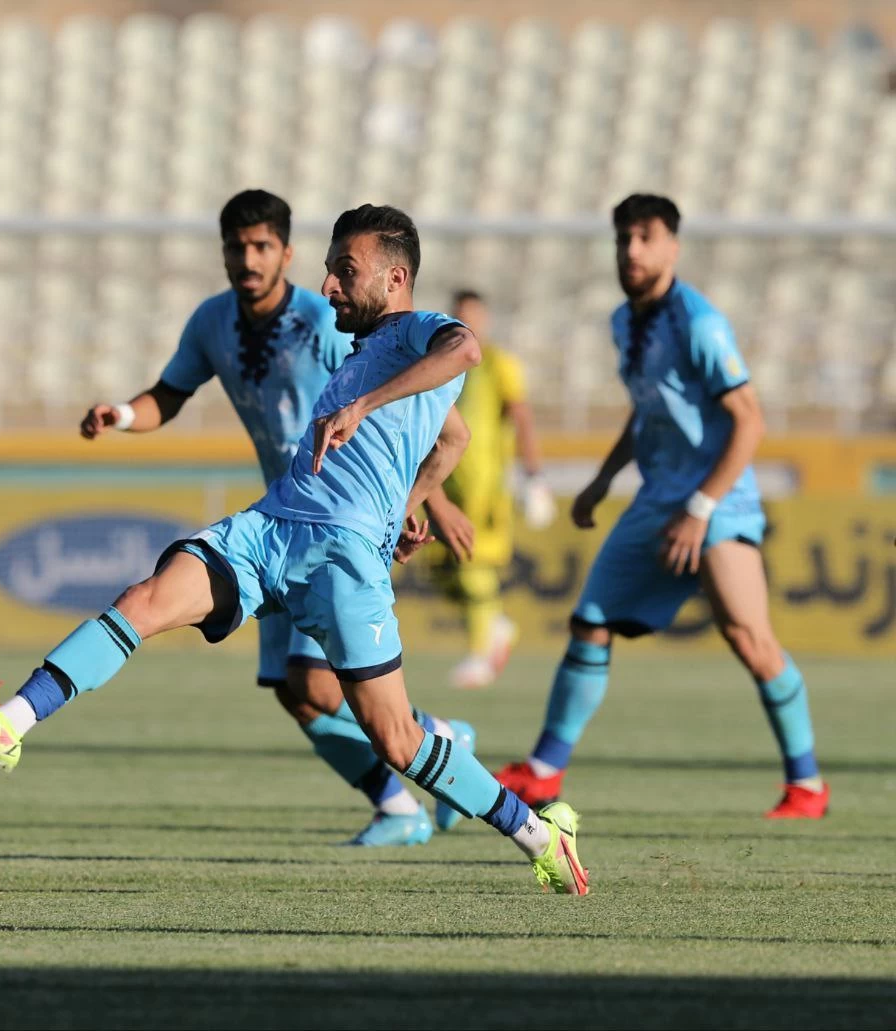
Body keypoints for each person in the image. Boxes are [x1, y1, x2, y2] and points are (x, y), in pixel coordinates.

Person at [0, 204, 590, 894]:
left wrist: (377, 455)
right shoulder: (362, 353)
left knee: (396, 738)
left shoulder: (422, 334)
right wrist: (407, 502)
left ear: (396, 279)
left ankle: (539, 831)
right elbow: (450, 439)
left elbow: (466, 353)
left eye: (345, 271)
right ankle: (11, 721)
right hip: (271, 528)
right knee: (145, 599)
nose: (329, 285)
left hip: (343, 558)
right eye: (328, 269)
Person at [81, 190, 478, 846]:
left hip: (338, 522)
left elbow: (433, 417)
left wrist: (422, 499)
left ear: (286, 255)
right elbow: (169, 396)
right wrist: (121, 415)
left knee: (317, 685)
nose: (248, 258)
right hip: (277, 524)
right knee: (296, 693)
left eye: (262, 246)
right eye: (237, 246)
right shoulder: (213, 323)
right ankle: (398, 805)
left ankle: (432, 739)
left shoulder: (332, 320)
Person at [495, 194, 828, 820]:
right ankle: (542, 772)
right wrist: (600, 481)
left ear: (673, 246)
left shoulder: (699, 323)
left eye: (646, 237)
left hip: (718, 502)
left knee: (749, 638)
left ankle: (807, 785)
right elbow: (648, 409)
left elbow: (749, 421)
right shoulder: (625, 321)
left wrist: (702, 507)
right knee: (589, 620)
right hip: (657, 501)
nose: (632, 250)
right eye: (624, 238)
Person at [437, 289, 554, 689]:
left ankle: (480, 652)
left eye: (472, 317)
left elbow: (521, 418)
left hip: (483, 491)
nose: (466, 325)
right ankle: (496, 626)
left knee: (472, 567)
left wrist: (533, 476)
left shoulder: (499, 365)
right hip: (443, 485)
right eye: (459, 316)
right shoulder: (442, 366)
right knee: (442, 569)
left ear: (484, 320)